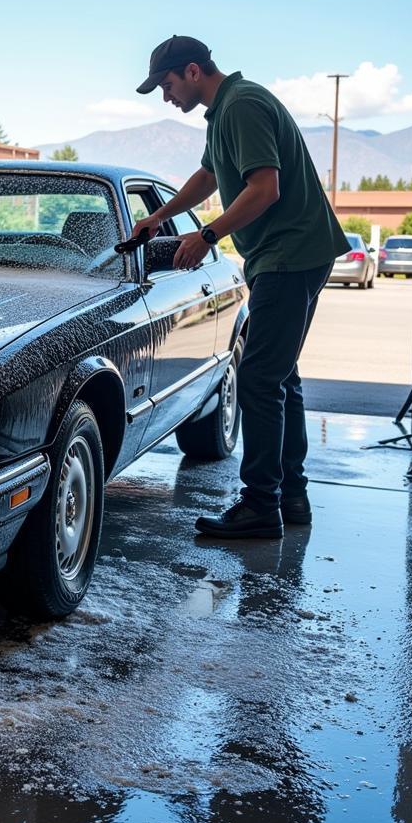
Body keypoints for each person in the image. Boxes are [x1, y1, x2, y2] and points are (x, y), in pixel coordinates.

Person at [132, 35, 349, 538]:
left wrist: (207, 235)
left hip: (288, 256)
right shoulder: (226, 109)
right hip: (289, 255)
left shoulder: (243, 106)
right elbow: (209, 175)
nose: (166, 98)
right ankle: (290, 497)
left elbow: (265, 187)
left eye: (166, 85)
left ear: (191, 71)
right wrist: (160, 216)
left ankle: (259, 507)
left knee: (256, 380)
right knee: (280, 377)